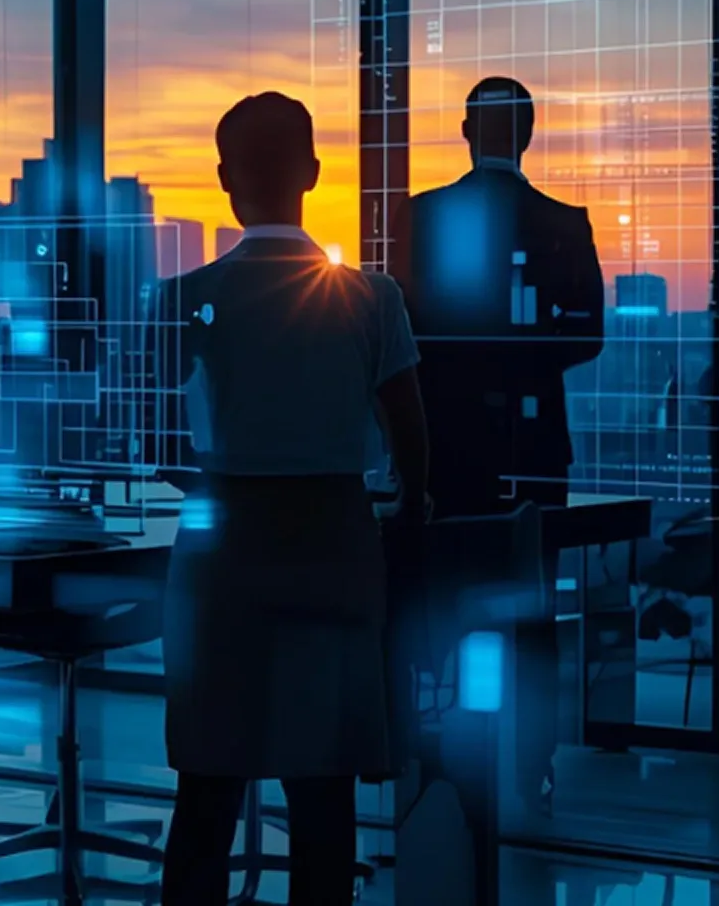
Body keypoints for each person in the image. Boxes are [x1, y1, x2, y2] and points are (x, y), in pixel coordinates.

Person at [153, 92, 431, 905]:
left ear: (224, 179)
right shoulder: (372, 299)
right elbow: (412, 437)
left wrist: (219, 479)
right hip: (333, 549)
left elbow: (151, 437)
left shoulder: (180, 298)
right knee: (322, 797)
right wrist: (407, 506)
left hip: (221, 559)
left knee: (207, 792)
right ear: (312, 172)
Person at [392, 77, 606, 516]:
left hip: (443, 440)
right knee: (531, 556)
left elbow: (399, 327)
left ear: (466, 131)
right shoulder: (565, 223)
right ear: (528, 133)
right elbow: (588, 336)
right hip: (534, 445)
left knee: (443, 557)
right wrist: (524, 359)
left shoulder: (420, 215)